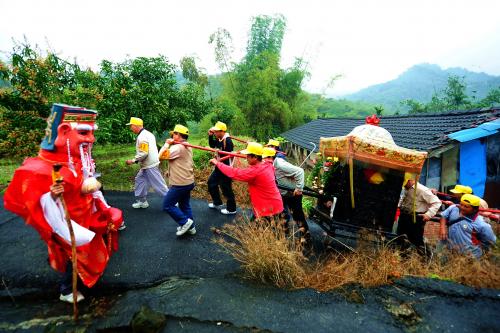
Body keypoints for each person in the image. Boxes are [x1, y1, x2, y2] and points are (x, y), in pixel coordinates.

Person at [4, 104, 123, 303]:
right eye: (84, 133)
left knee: (89, 251)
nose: (90, 139)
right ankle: (67, 290)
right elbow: (41, 203)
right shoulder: (43, 168)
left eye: (92, 133)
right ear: (64, 131)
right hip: (68, 222)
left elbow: (88, 184)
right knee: (74, 256)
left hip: (86, 215)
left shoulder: (78, 159)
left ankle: (74, 273)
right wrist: (52, 194)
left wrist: (102, 204)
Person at [209, 142, 283, 220]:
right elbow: (267, 160)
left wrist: (217, 163)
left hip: (268, 209)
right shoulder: (267, 164)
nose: (246, 158)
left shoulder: (255, 171)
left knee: (259, 229)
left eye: (248, 156)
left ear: (255, 157)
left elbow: (234, 173)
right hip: (276, 204)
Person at [262, 147, 310, 244]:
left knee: (297, 215)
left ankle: (306, 236)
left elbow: (300, 171)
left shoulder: (280, 164)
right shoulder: (270, 164)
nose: (264, 160)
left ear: (271, 157)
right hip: (282, 193)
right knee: (281, 213)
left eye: (265, 158)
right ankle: (284, 232)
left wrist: (299, 188)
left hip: (292, 193)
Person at [159, 124, 196, 236]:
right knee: (184, 205)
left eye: (174, 133)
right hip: (188, 181)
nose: (172, 135)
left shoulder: (177, 147)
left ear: (179, 135)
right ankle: (191, 227)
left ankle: (185, 222)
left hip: (180, 183)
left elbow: (160, 156)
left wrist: (167, 144)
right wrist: (169, 171)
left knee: (167, 205)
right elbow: (182, 162)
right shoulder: (187, 146)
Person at [126, 117, 168, 209]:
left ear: (136, 125)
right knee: (140, 180)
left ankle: (172, 201)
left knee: (158, 184)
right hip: (147, 165)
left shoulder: (142, 137)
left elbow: (144, 153)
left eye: (131, 126)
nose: (130, 128)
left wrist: (133, 160)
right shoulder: (148, 134)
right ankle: (142, 201)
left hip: (150, 165)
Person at [439, 194, 496, 258]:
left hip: (470, 256)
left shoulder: (481, 224)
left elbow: (491, 241)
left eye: (466, 206)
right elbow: (444, 215)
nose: (462, 207)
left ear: (474, 209)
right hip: (452, 251)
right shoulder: (454, 208)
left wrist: (479, 249)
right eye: (461, 204)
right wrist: (442, 228)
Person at [397, 175, 441, 252]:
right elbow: (404, 200)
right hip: (404, 215)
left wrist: (428, 214)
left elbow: (437, 202)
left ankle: (426, 259)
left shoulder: (422, 190)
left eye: (404, 183)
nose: (403, 186)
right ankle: (403, 258)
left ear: (409, 181)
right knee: (401, 238)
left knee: (416, 241)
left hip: (416, 217)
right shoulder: (407, 188)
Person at [207, 121, 237, 215]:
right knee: (211, 183)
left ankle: (231, 209)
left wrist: (217, 160)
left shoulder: (227, 141)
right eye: (214, 131)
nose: (214, 133)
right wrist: (210, 136)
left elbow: (228, 156)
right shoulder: (220, 139)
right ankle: (217, 202)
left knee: (226, 188)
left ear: (222, 131)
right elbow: (212, 145)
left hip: (226, 168)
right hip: (219, 166)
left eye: (216, 132)